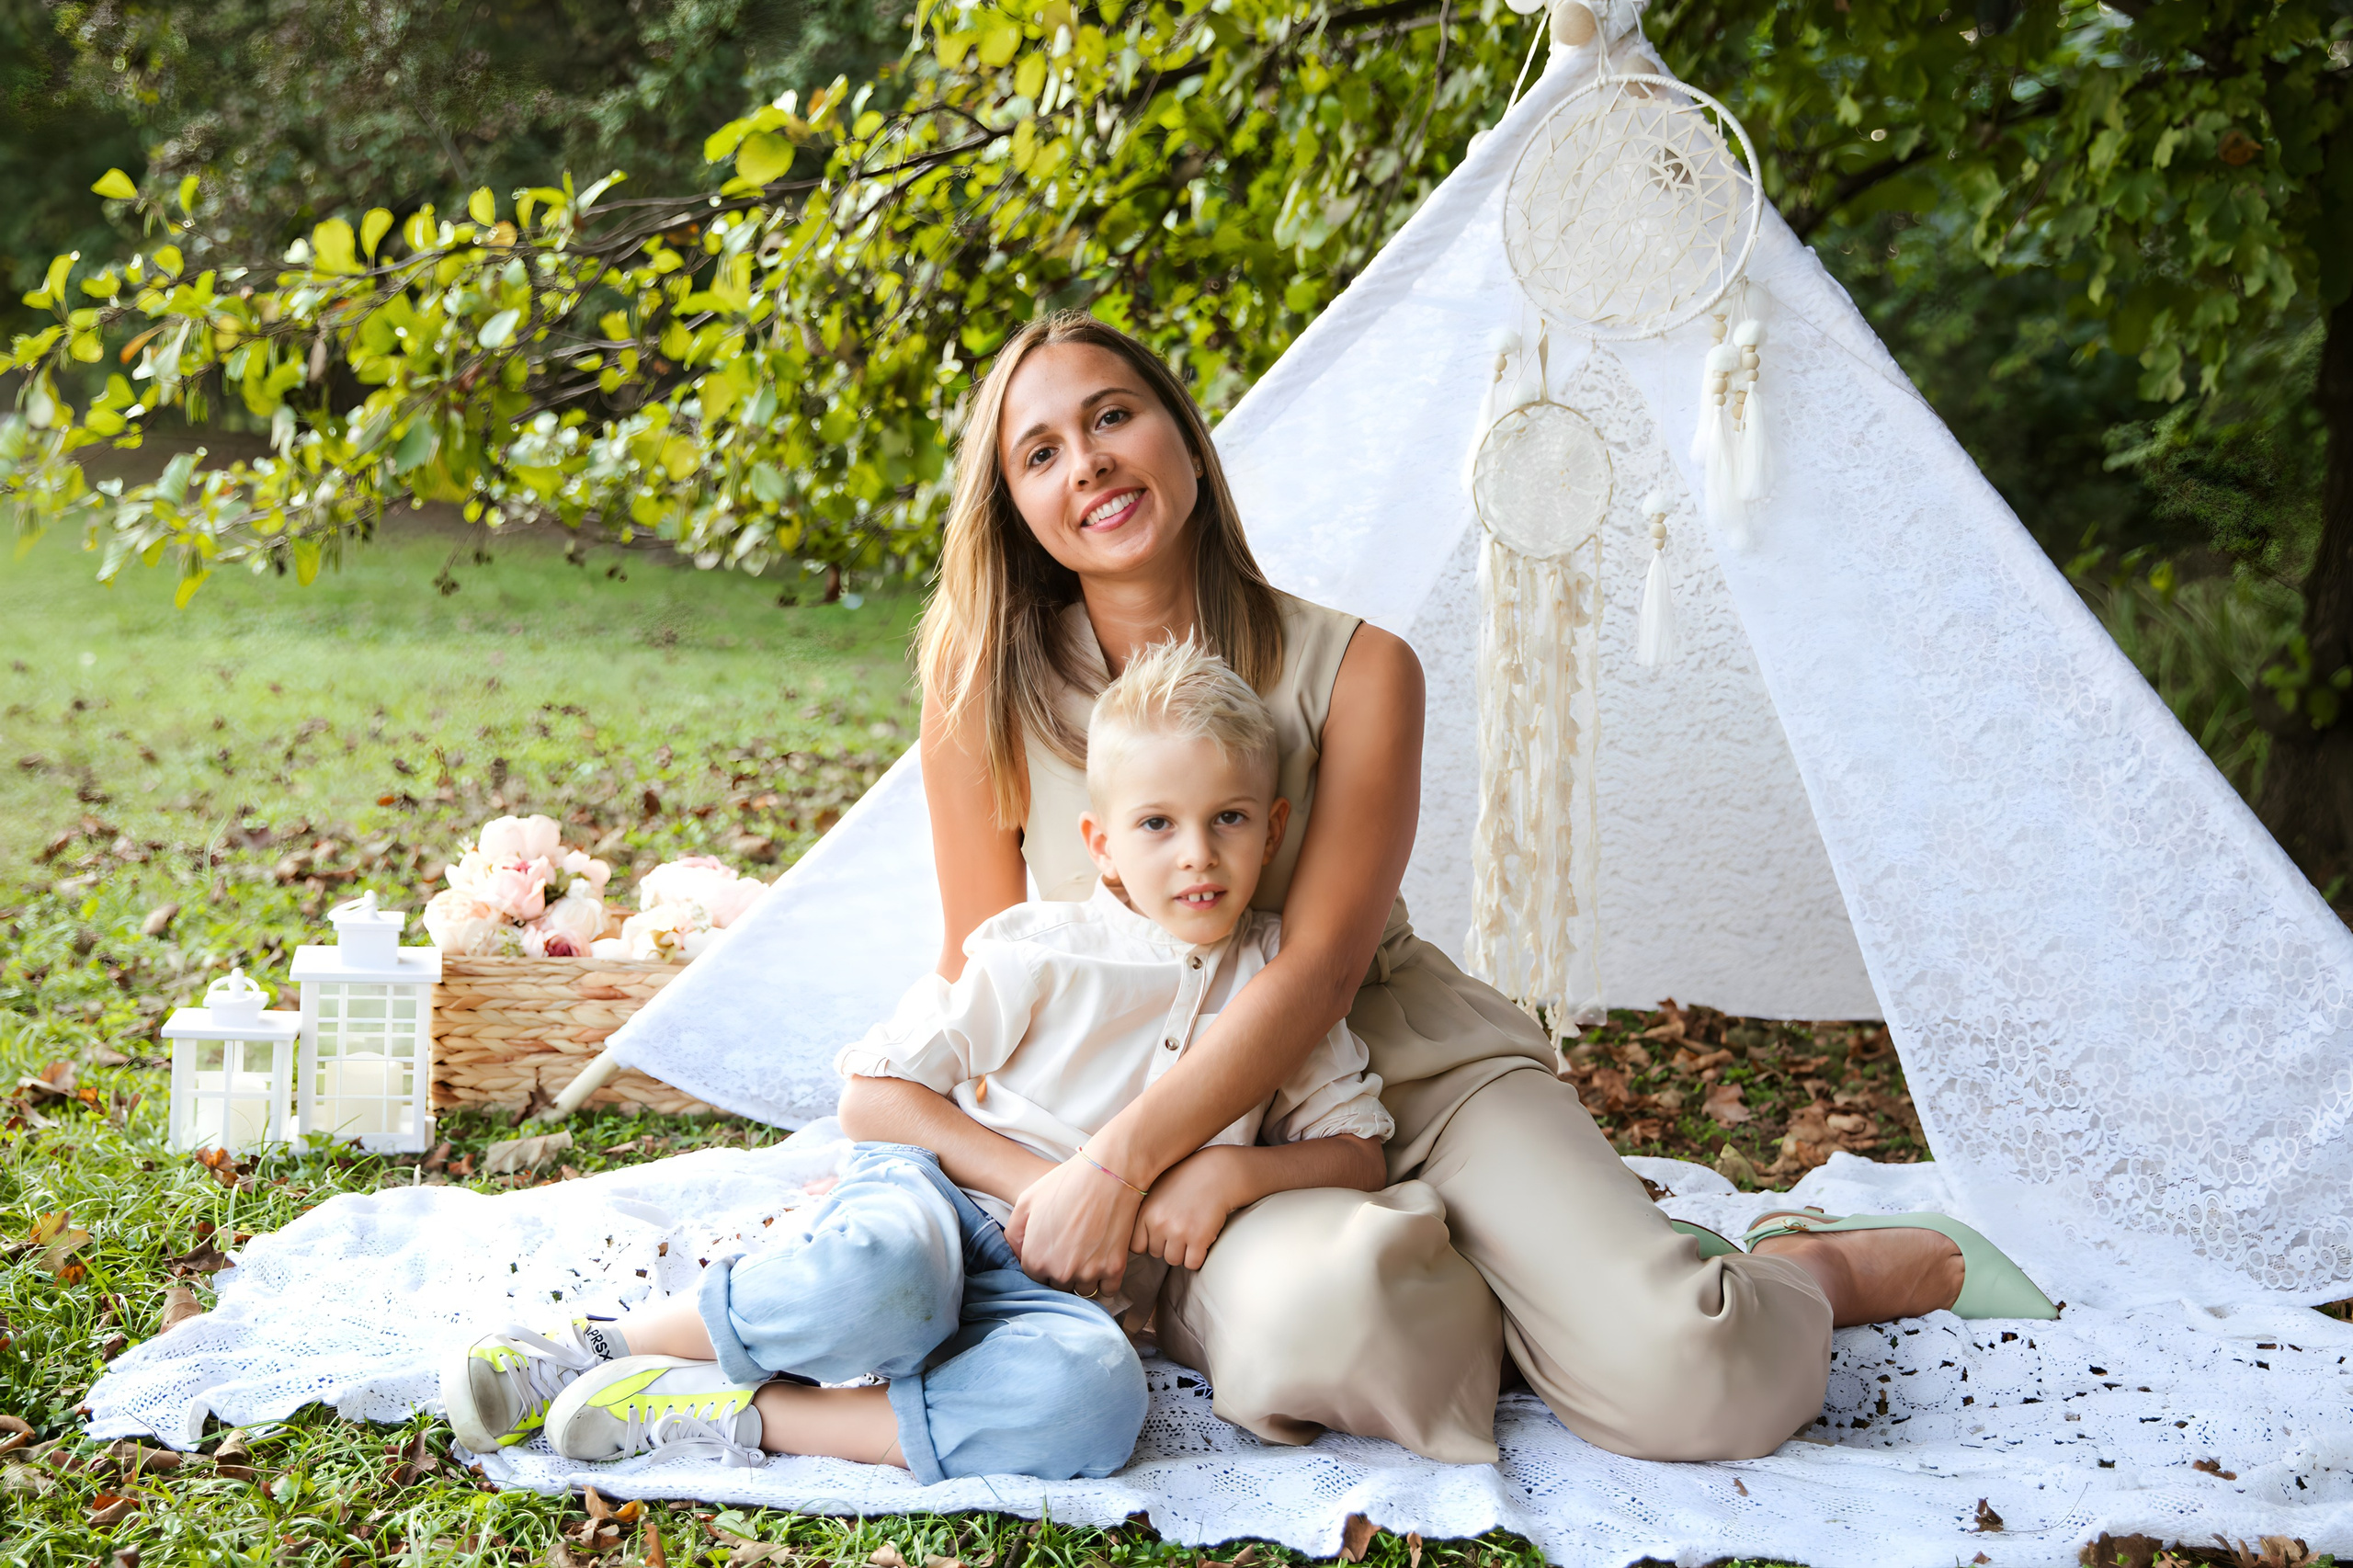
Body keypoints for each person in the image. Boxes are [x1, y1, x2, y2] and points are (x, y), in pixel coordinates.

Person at [835, 310, 2054, 1466]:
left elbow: (1312, 975)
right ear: (1017, 506)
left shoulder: (1361, 666)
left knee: (1697, 1376)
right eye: (1040, 451)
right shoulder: (981, 692)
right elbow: (975, 962)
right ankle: (1537, 1282)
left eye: (1112, 417)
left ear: (1185, 439)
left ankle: (1804, 1268)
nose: (1087, 463)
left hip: (1406, 1075)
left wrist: (1112, 1171)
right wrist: (1049, 1175)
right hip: (1200, 1144)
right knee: (1322, 1337)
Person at [439, 639, 1396, 1479]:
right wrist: (1047, 1185)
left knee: (1097, 1399)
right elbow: (873, 1095)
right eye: (1158, 823)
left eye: (1228, 818)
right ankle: (596, 1344)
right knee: (883, 1277)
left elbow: (1359, 1149)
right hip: (935, 1206)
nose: (1196, 853)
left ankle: (722, 1412)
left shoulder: (1281, 983)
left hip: (1057, 1296)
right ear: (1102, 847)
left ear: (1271, 829)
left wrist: (1233, 1170)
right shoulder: (1041, 948)